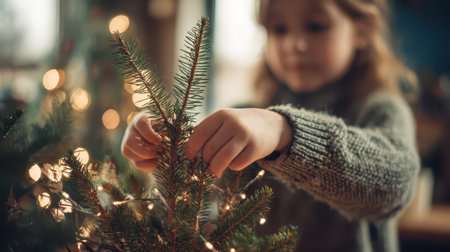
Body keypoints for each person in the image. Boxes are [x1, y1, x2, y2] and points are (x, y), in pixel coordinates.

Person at [121, 0, 420, 251]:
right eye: (279, 29)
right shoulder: (248, 117)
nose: (294, 44)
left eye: (316, 26)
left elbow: (392, 186)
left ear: (363, 30)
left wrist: (283, 132)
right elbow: (200, 207)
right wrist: (166, 150)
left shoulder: (380, 107)